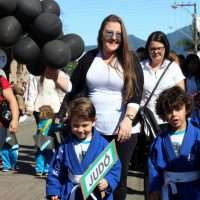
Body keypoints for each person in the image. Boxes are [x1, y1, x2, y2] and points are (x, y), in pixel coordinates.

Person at [57, 14, 144, 200]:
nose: (114, 38)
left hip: (123, 132)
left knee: (116, 180)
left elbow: (136, 94)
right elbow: (73, 88)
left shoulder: (130, 59)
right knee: (91, 178)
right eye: (109, 33)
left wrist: (127, 121)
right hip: (93, 130)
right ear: (101, 34)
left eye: (118, 34)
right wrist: (55, 76)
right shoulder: (89, 57)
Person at [46, 97, 121, 200]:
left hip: (96, 193)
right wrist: (54, 191)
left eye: (85, 125)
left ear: (93, 121)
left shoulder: (103, 145)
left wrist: (108, 181)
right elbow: (56, 169)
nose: (80, 130)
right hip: (71, 192)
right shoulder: (65, 146)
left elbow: (115, 167)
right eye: (75, 125)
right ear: (70, 123)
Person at [148, 86, 200, 200]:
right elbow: (154, 169)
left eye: (178, 109)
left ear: (186, 108)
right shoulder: (160, 140)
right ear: (163, 115)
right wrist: (155, 189)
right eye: (169, 111)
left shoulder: (197, 135)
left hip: (194, 191)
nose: (174, 114)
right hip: (170, 192)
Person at [141, 31, 185, 128]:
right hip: (147, 122)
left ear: (165, 48)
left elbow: (181, 96)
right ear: (147, 49)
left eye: (159, 48)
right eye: (152, 49)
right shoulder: (140, 68)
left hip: (169, 121)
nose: (156, 52)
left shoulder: (173, 68)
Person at [0, 75, 19, 172]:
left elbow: (12, 100)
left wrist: (15, 119)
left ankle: (11, 163)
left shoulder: (1, 80)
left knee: (10, 144)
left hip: (2, 123)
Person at [34, 105, 56, 176]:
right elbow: (56, 128)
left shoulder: (40, 122)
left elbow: (38, 132)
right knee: (49, 156)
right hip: (49, 142)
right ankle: (47, 169)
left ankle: (39, 170)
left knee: (40, 155)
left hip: (41, 141)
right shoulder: (51, 122)